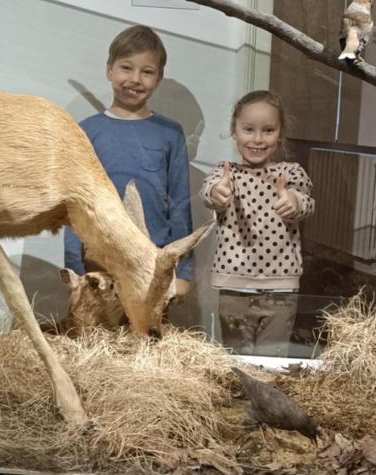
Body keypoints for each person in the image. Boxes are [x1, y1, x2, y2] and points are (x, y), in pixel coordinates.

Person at [64, 25, 193, 295]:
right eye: (126, 68)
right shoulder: (85, 131)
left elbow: (180, 205)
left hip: (153, 264)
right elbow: (75, 206)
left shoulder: (170, 133)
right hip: (97, 265)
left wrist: (183, 272)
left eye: (147, 72)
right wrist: (75, 267)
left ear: (158, 78)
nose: (135, 79)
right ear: (109, 70)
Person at [200, 90, 314, 355]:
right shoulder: (225, 172)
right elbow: (209, 191)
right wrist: (217, 192)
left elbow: (306, 201)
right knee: (235, 358)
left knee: (272, 359)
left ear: (280, 134)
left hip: (280, 288)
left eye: (268, 130)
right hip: (234, 286)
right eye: (248, 129)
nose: (258, 139)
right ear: (234, 131)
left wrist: (294, 201)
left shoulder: (290, 172)